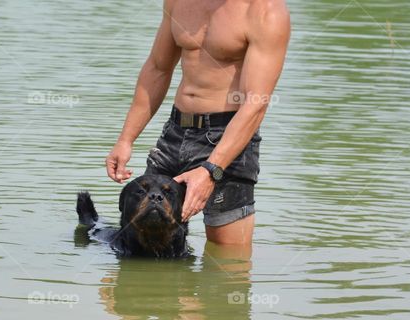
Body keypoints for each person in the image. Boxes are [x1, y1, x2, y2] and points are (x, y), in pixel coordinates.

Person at [106, 0, 290, 246]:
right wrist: (125, 139)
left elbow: (255, 103)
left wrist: (211, 169)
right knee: (143, 241)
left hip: (228, 138)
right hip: (175, 132)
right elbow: (158, 68)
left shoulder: (265, 11)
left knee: (227, 263)